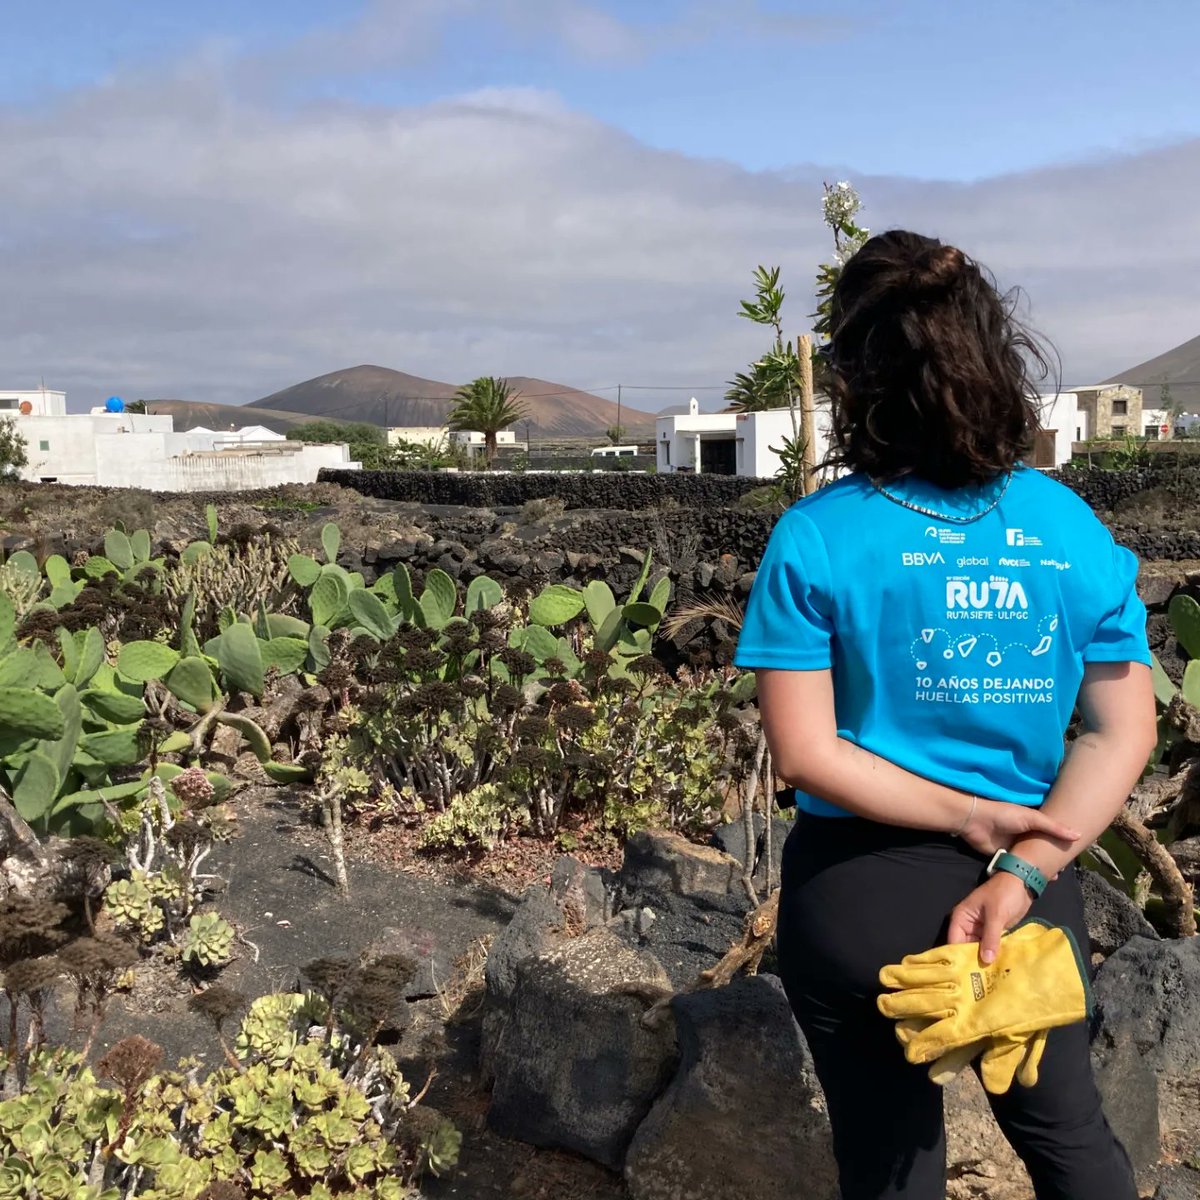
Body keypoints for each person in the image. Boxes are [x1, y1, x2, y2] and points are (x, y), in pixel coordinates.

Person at [733, 230, 1157, 1200]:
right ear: (992, 352)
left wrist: (965, 817)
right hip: (1025, 891)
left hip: (855, 892)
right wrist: (1021, 866)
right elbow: (1120, 729)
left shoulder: (815, 537)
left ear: (852, 373)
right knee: (1074, 1145)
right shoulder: (1067, 528)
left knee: (893, 1167)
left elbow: (803, 753)